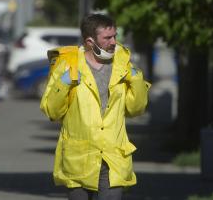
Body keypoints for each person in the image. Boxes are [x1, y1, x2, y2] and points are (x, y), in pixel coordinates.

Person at [40, 13, 151, 200]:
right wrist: (64, 83)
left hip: (113, 158)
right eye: (107, 37)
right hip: (79, 159)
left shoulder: (122, 65)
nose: (114, 41)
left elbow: (135, 109)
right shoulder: (68, 65)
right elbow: (52, 110)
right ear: (90, 41)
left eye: (115, 36)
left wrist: (137, 80)